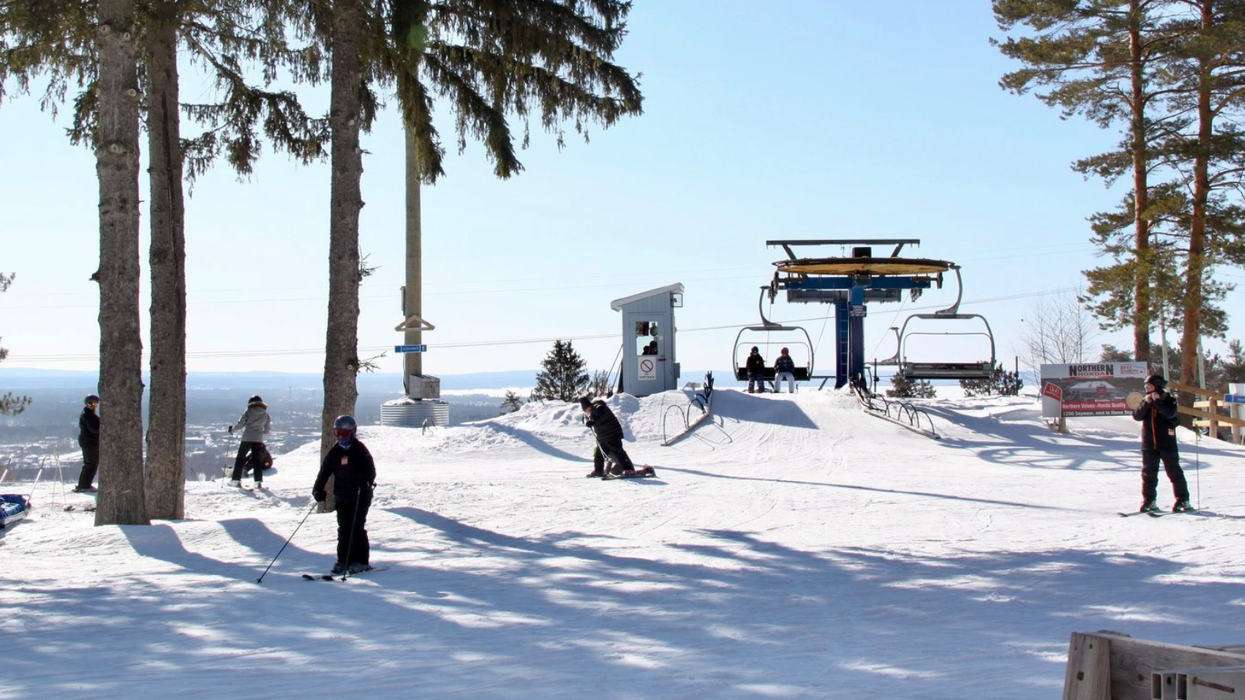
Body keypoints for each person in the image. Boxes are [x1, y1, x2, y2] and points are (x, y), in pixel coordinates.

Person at [312, 415, 376, 575]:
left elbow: (371, 470)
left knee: (356, 528)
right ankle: (344, 561)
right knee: (344, 530)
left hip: (360, 497)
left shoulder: (360, 450)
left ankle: (361, 561)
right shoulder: (335, 452)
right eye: (337, 433)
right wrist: (318, 489)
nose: (341, 437)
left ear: (353, 432)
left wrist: (366, 481)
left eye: (344, 434)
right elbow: (324, 472)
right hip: (342, 496)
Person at [1131, 373, 1191, 513]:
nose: (1146, 388)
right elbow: (1137, 416)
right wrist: (1147, 403)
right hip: (1149, 444)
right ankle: (1149, 501)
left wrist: (1157, 402)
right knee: (1148, 474)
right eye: (1145, 386)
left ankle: (1183, 500)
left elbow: (1170, 414)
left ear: (1157, 386)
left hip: (1166, 444)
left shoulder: (1168, 399)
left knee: (1174, 472)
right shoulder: (1145, 400)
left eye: (1149, 385)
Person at [581, 396, 636, 477]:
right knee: (599, 454)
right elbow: (596, 421)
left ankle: (629, 470)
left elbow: (602, 416)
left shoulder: (598, 407)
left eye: (585, 410)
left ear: (588, 406)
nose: (586, 412)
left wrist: (593, 422)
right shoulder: (593, 411)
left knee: (618, 452)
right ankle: (598, 471)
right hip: (603, 436)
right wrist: (590, 422)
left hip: (612, 434)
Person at [228, 394, 271, 488]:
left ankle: (235, 480)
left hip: (247, 438)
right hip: (258, 439)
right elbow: (267, 430)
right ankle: (258, 482)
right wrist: (260, 432)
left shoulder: (248, 412)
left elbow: (240, 424)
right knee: (257, 460)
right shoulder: (265, 414)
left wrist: (232, 430)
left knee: (240, 458)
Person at [74, 394, 100, 493]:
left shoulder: (89, 413)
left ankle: (84, 484)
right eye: (95, 403)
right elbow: (93, 429)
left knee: (90, 463)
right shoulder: (88, 415)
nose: (96, 405)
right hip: (89, 442)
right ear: (90, 404)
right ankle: (84, 485)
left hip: (89, 441)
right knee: (91, 463)